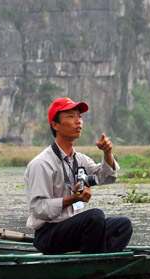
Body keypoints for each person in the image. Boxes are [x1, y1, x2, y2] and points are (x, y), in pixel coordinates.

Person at [24, 97, 132, 254]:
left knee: (123, 225)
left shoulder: (80, 160)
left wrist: (107, 153)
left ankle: (100, 261)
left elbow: (106, 177)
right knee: (95, 217)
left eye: (79, 116)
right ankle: (92, 266)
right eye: (71, 116)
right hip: (50, 234)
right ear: (55, 125)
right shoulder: (41, 164)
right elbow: (39, 208)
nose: (78, 121)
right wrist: (73, 199)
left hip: (77, 229)